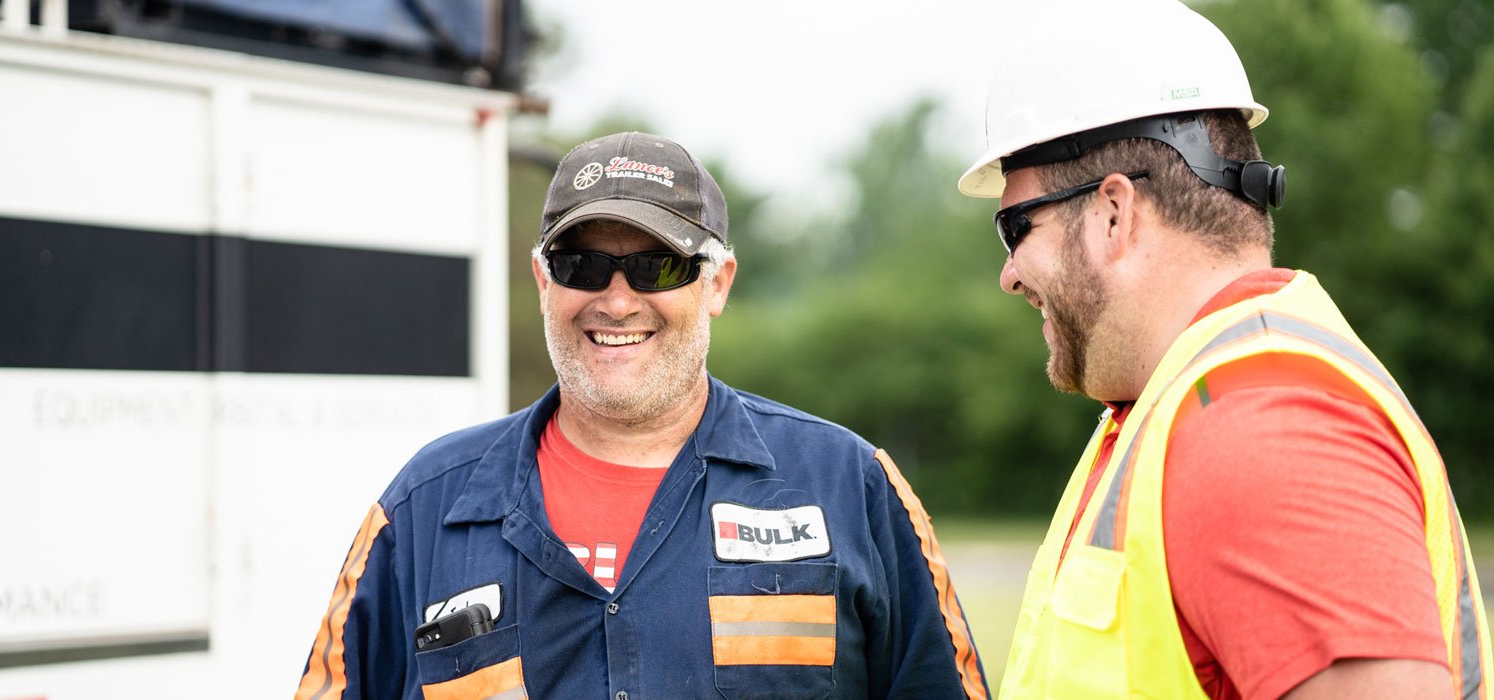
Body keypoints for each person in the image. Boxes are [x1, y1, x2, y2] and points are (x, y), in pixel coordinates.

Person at [294, 131, 991, 699]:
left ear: (717, 283)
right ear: (544, 281)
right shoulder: (423, 509)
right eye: (583, 266)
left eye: (658, 266)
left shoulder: (849, 485)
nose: (618, 301)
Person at [955, 1, 1492, 699]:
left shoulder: (1260, 425)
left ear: (1114, 213)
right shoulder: (1186, 403)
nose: (1010, 275)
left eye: (1015, 227)